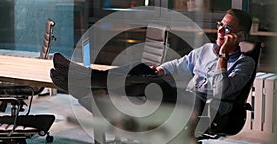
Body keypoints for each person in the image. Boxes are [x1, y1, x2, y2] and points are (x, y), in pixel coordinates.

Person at [50, 8, 253, 136]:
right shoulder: (205, 50)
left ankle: (81, 78)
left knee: (152, 85)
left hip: (203, 109)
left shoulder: (245, 64)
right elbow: (182, 63)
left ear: (240, 36)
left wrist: (224, 57)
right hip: (184, 97)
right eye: (220, 25)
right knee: (141, 69)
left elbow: (221, 92)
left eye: (227, 29)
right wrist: (162, 69)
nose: (219, 31)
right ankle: (82, 75)